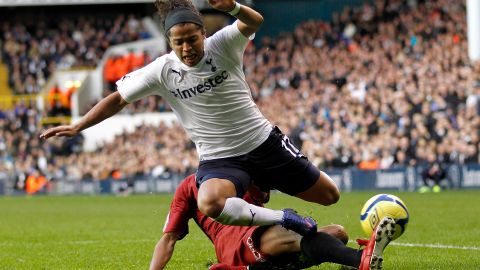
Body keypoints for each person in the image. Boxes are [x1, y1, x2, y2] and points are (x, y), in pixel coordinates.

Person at [40, 0, 340, 236]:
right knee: (209, 202)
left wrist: (232, 7)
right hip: (221, 158)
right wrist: (79, 125)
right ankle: (286, 218)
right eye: (178, 42)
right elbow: (118, 98)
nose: (186, 48)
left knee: (330, 196)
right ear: (169, 42)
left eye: (192, 39)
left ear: (203, 34)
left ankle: (261, 185)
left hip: (263, 142)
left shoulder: (222, 45)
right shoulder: (161, 70)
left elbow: (254, 21)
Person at [149, 174, 396, 270]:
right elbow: (168, 239)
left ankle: (273, 268)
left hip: (261, 231)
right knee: (294, 236)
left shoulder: (242, 170)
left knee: (338, 233)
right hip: (233, 241)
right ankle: (360, 260)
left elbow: (265, 196)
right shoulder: (188, 187)